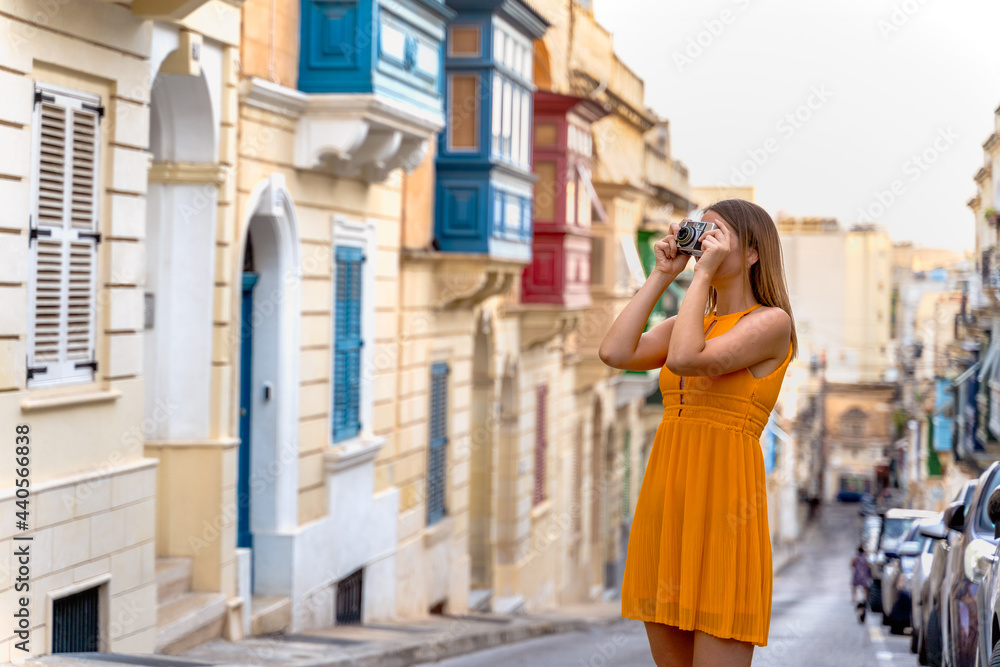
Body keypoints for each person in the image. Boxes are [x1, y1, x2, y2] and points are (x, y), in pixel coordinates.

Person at [600, 199, 797, 667]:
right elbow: (615, 351)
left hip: (726, 513)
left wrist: (701, 274)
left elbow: (687, 359)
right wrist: (663, 275)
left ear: (751, 252)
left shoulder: (771, 323)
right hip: (668, 509)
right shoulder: (689, 322)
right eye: (698, 230)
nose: (702, 240)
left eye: (715, 233)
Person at [851, 544, 872, 622]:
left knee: (854, 587)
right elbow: (868, 565)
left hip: (857, 574)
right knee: (865, 588)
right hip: (864, 574)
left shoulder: (855, 557)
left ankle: (854, 598)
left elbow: (852, 565)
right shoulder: (865, 557)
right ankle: (865, 598)